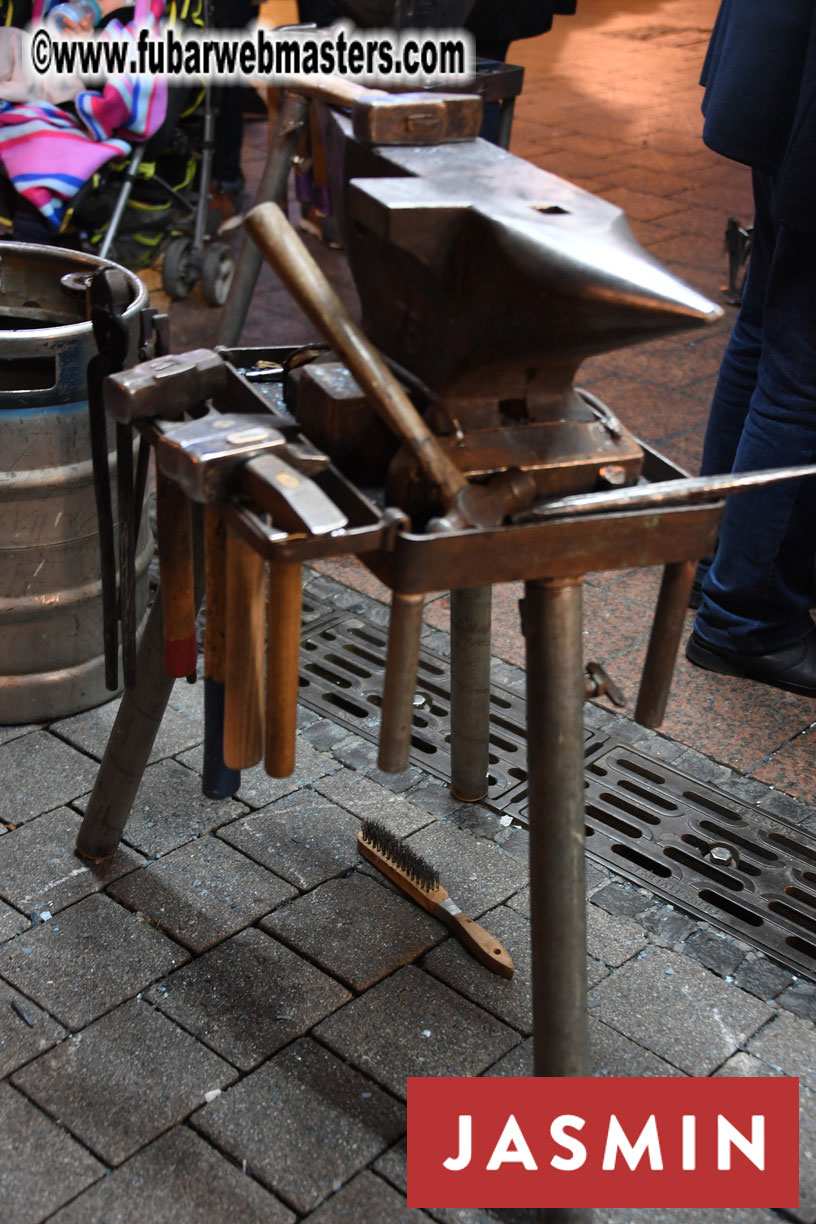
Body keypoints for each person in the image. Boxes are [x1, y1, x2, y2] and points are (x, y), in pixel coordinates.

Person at [685, 0, 816, 697]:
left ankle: (718, 562)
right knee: (805, 371)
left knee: (769, 322)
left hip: (785, 50)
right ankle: (751, 617)